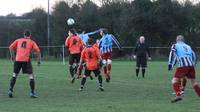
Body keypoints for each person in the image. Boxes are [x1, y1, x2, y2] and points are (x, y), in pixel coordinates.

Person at [8, 30, 41, 98]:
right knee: (31, 76)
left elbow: (10, 47)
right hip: (26, 60)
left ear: (24, 35)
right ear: (30, 35)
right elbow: (38, 51)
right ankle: (32, 93)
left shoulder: (18, 40)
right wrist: (38, 61)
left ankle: (10, 90)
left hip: (18, 59)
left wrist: (12, 56)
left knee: (14, 75)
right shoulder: (32, 42)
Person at [168, 35, 200, 103]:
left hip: (183, 65)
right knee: (194, 82)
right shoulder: (188, 46)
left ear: (177, 40)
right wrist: (194, 64)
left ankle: (178, 95)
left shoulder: (175, 45)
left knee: (174, 81)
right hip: (191, 65)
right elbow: (194, 55)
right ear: (183, 40)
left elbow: (172, 53)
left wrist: (170, 64)